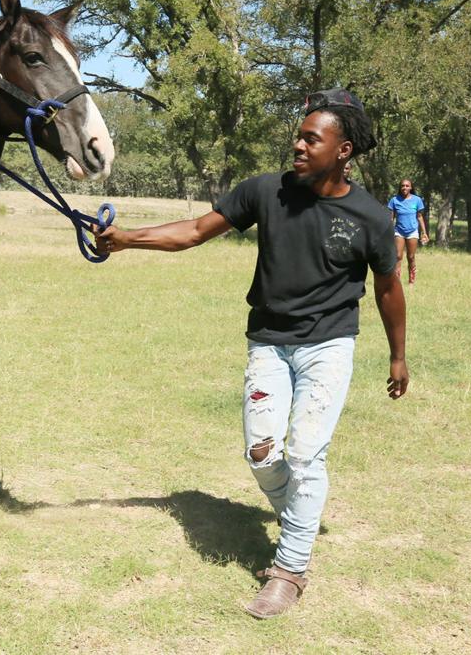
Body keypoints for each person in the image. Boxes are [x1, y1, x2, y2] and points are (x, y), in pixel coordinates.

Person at [94, 88, 409, 619]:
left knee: (307, 456)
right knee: (261, 453)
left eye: (312, 138)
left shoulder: (370, 217)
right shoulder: (266, 192)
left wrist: (398, 355)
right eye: (299, 135)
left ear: (344, 149)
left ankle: (290, 570)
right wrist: (126, 239)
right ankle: (301, 518)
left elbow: (387, 288)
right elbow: (194, 231)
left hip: (328, 347)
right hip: (268, 342)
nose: (299, 145)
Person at [387, 179, 428, 284]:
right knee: (398, 256)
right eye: (402, 186)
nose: (404, 188)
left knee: (411, 256)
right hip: (399, 231)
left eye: (407, 186)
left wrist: (424, 232)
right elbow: (391, 219)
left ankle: (411, 281)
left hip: (412, 232)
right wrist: (387, 231)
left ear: (411, 187)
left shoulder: (417, 200)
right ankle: (396, 282)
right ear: (400, 187)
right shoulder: (394, 200)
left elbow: (419, 217)